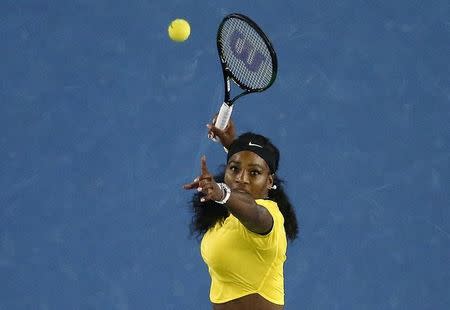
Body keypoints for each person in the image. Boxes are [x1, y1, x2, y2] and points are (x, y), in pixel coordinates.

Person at [183, 119, 299, 310]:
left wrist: (221, 192)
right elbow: (239, 188)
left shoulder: (269, 216)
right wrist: (235, 146)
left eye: (254, 173)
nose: (241, 179)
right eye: (234, 169)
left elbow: (252, 211)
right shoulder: (226, 216)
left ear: (269, 181)